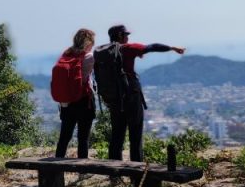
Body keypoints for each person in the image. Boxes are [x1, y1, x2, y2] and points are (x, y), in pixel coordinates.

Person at [103, 24, 184, 162]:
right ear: (120, 36)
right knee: (135, 133)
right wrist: (172, 48)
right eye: (126, 35)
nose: (128, 37)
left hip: (114, 98)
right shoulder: (127, 48)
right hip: (130, 95)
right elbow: (151, 47)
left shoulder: (103, 52)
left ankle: (114, 170)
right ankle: (137, 169)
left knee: (117, 133)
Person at [54, 28, 96, 158]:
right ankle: (82, 169)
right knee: (83, 138)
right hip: (84, 100)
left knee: (64, 137)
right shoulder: (89, 57)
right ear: (88, 43)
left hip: (67, 102)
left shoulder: (66, 54)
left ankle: (56, 167)